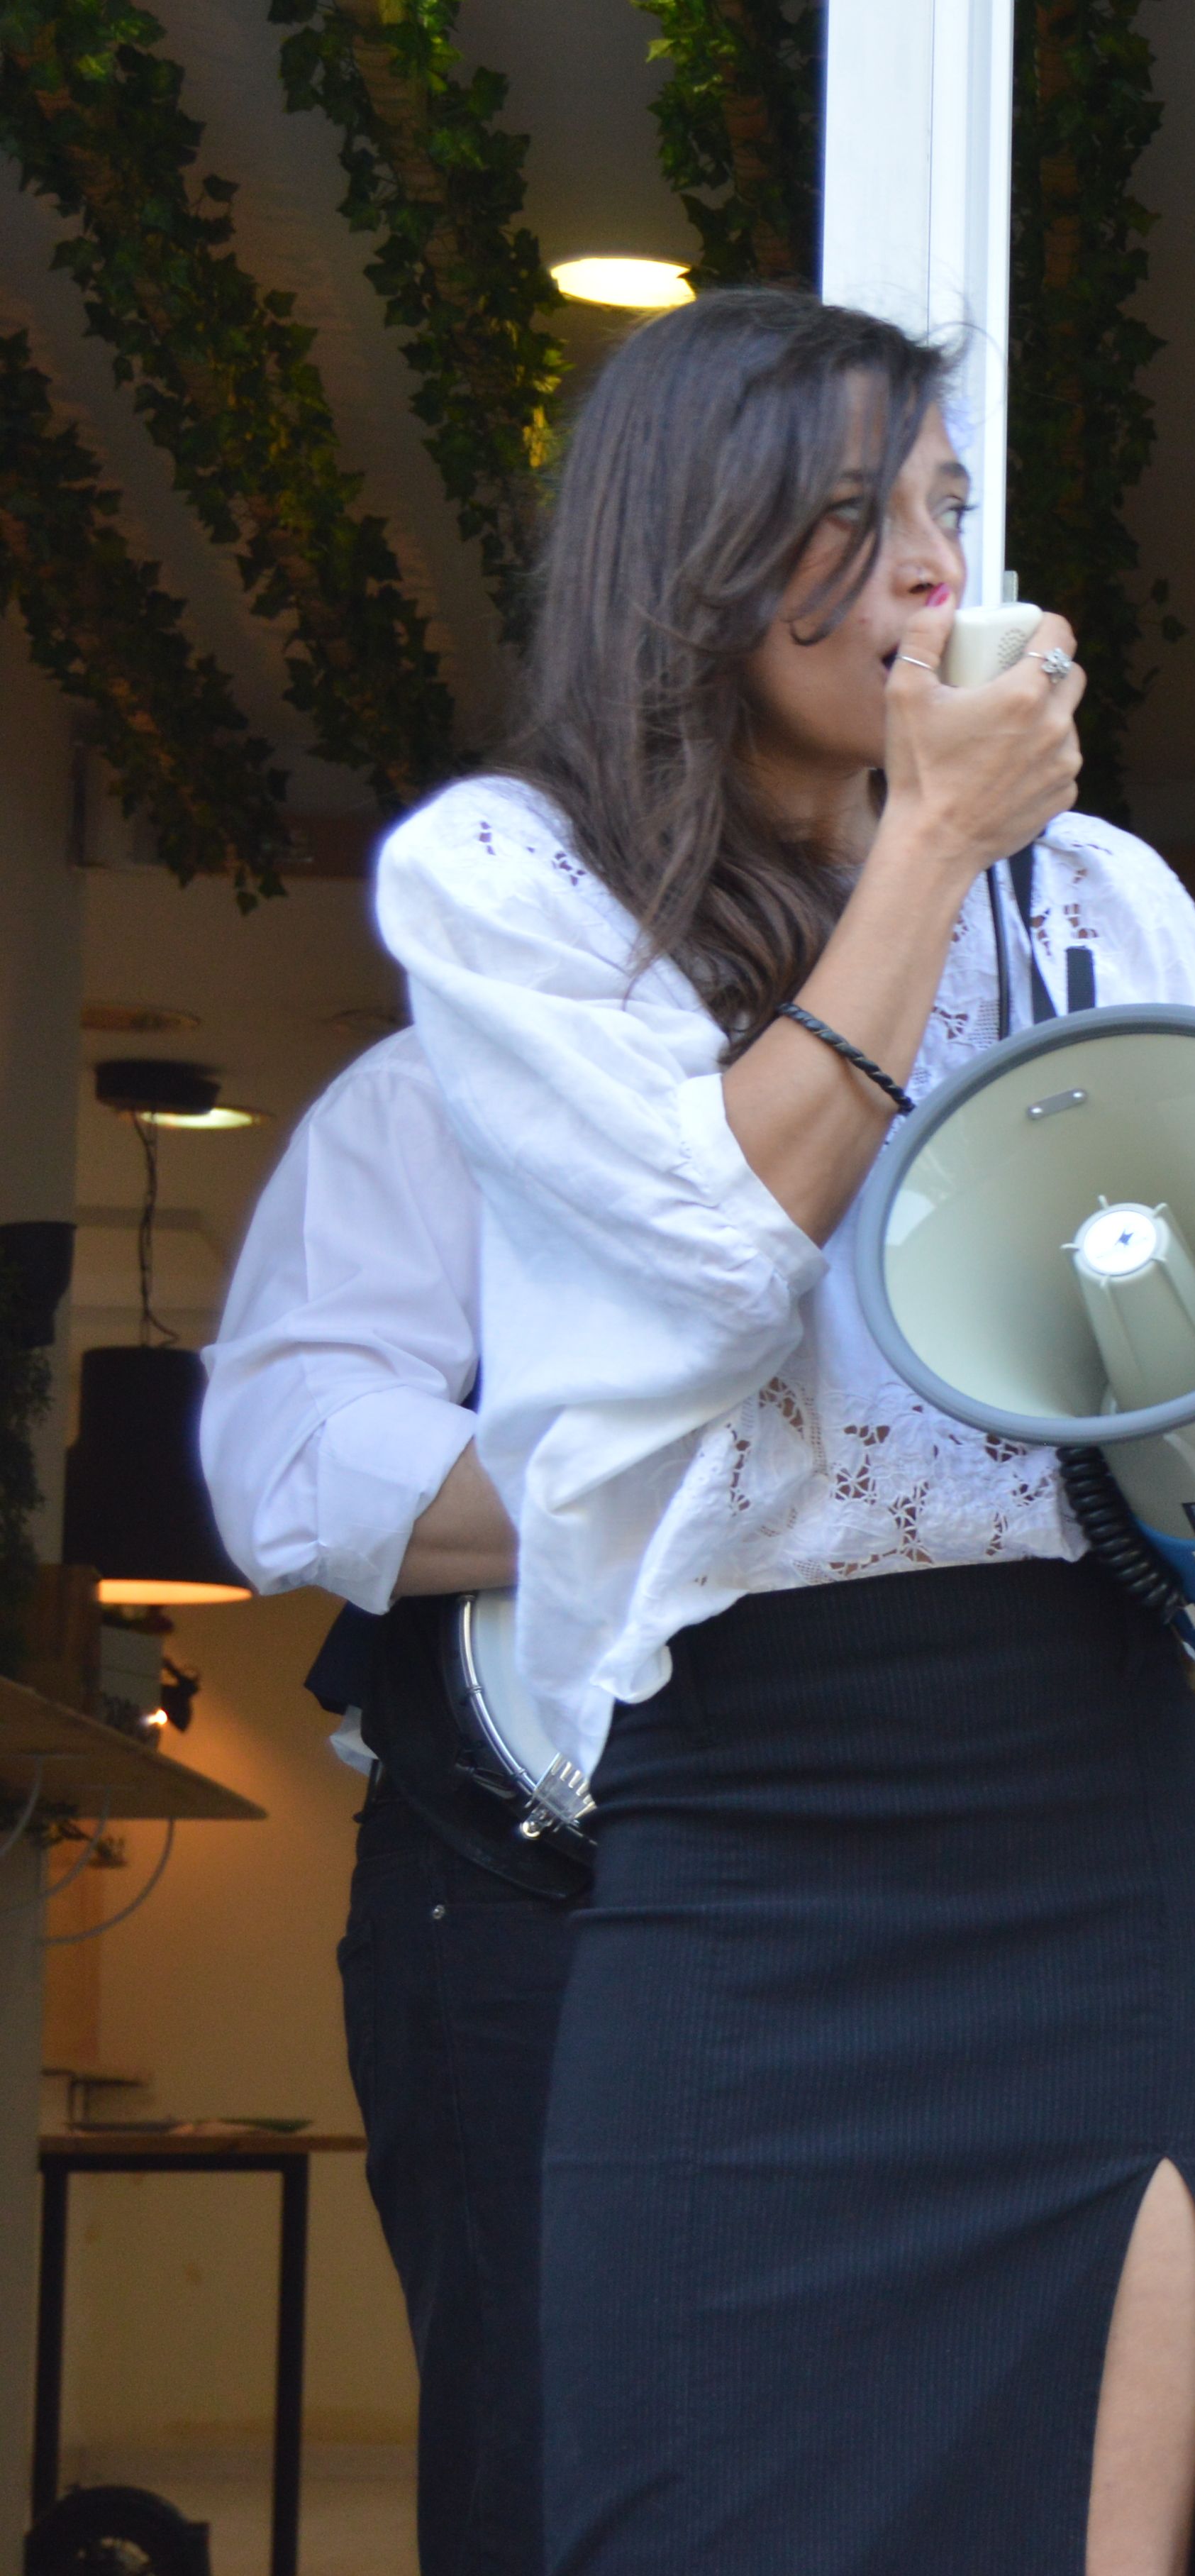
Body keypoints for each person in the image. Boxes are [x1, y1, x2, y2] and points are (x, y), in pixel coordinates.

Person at [375, 289, 1195, 2575]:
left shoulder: (1101, 894)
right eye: (861, 521)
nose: (939, 572)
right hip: (739, 1825)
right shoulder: (514, 891)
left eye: (951, 511)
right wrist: (926, 849)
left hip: (1079, 1812)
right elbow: (722, 1258)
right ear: (699, 568)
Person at [201, 1034, 557, 2576]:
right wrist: (739, 1477)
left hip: (899, 1854)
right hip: (519, 1867)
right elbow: (298, 1462)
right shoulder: (451, 1086)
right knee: (541, 2422)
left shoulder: (997, 1051)